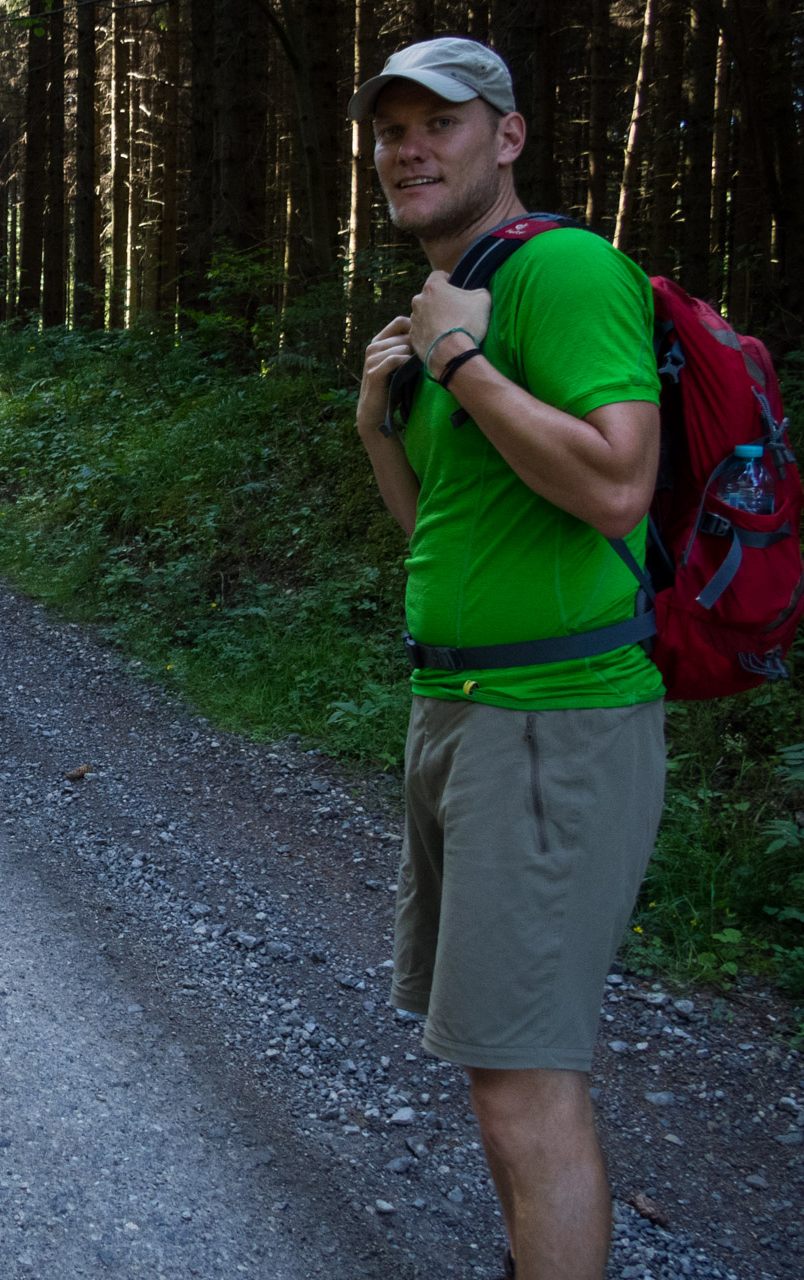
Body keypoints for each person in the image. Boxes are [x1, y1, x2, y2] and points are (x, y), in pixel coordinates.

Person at [348, 39, 664, 1280]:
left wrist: (465, 362)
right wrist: (384, 412)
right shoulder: (449, 298)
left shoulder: (567, 272)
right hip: (462, 711)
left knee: (527, 1087)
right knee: (494, 1073)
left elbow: (617, 482)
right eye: (390, 130)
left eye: (441, 122)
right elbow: (437, 530)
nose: (409, 148)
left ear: (508, 137)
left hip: (552, 721)